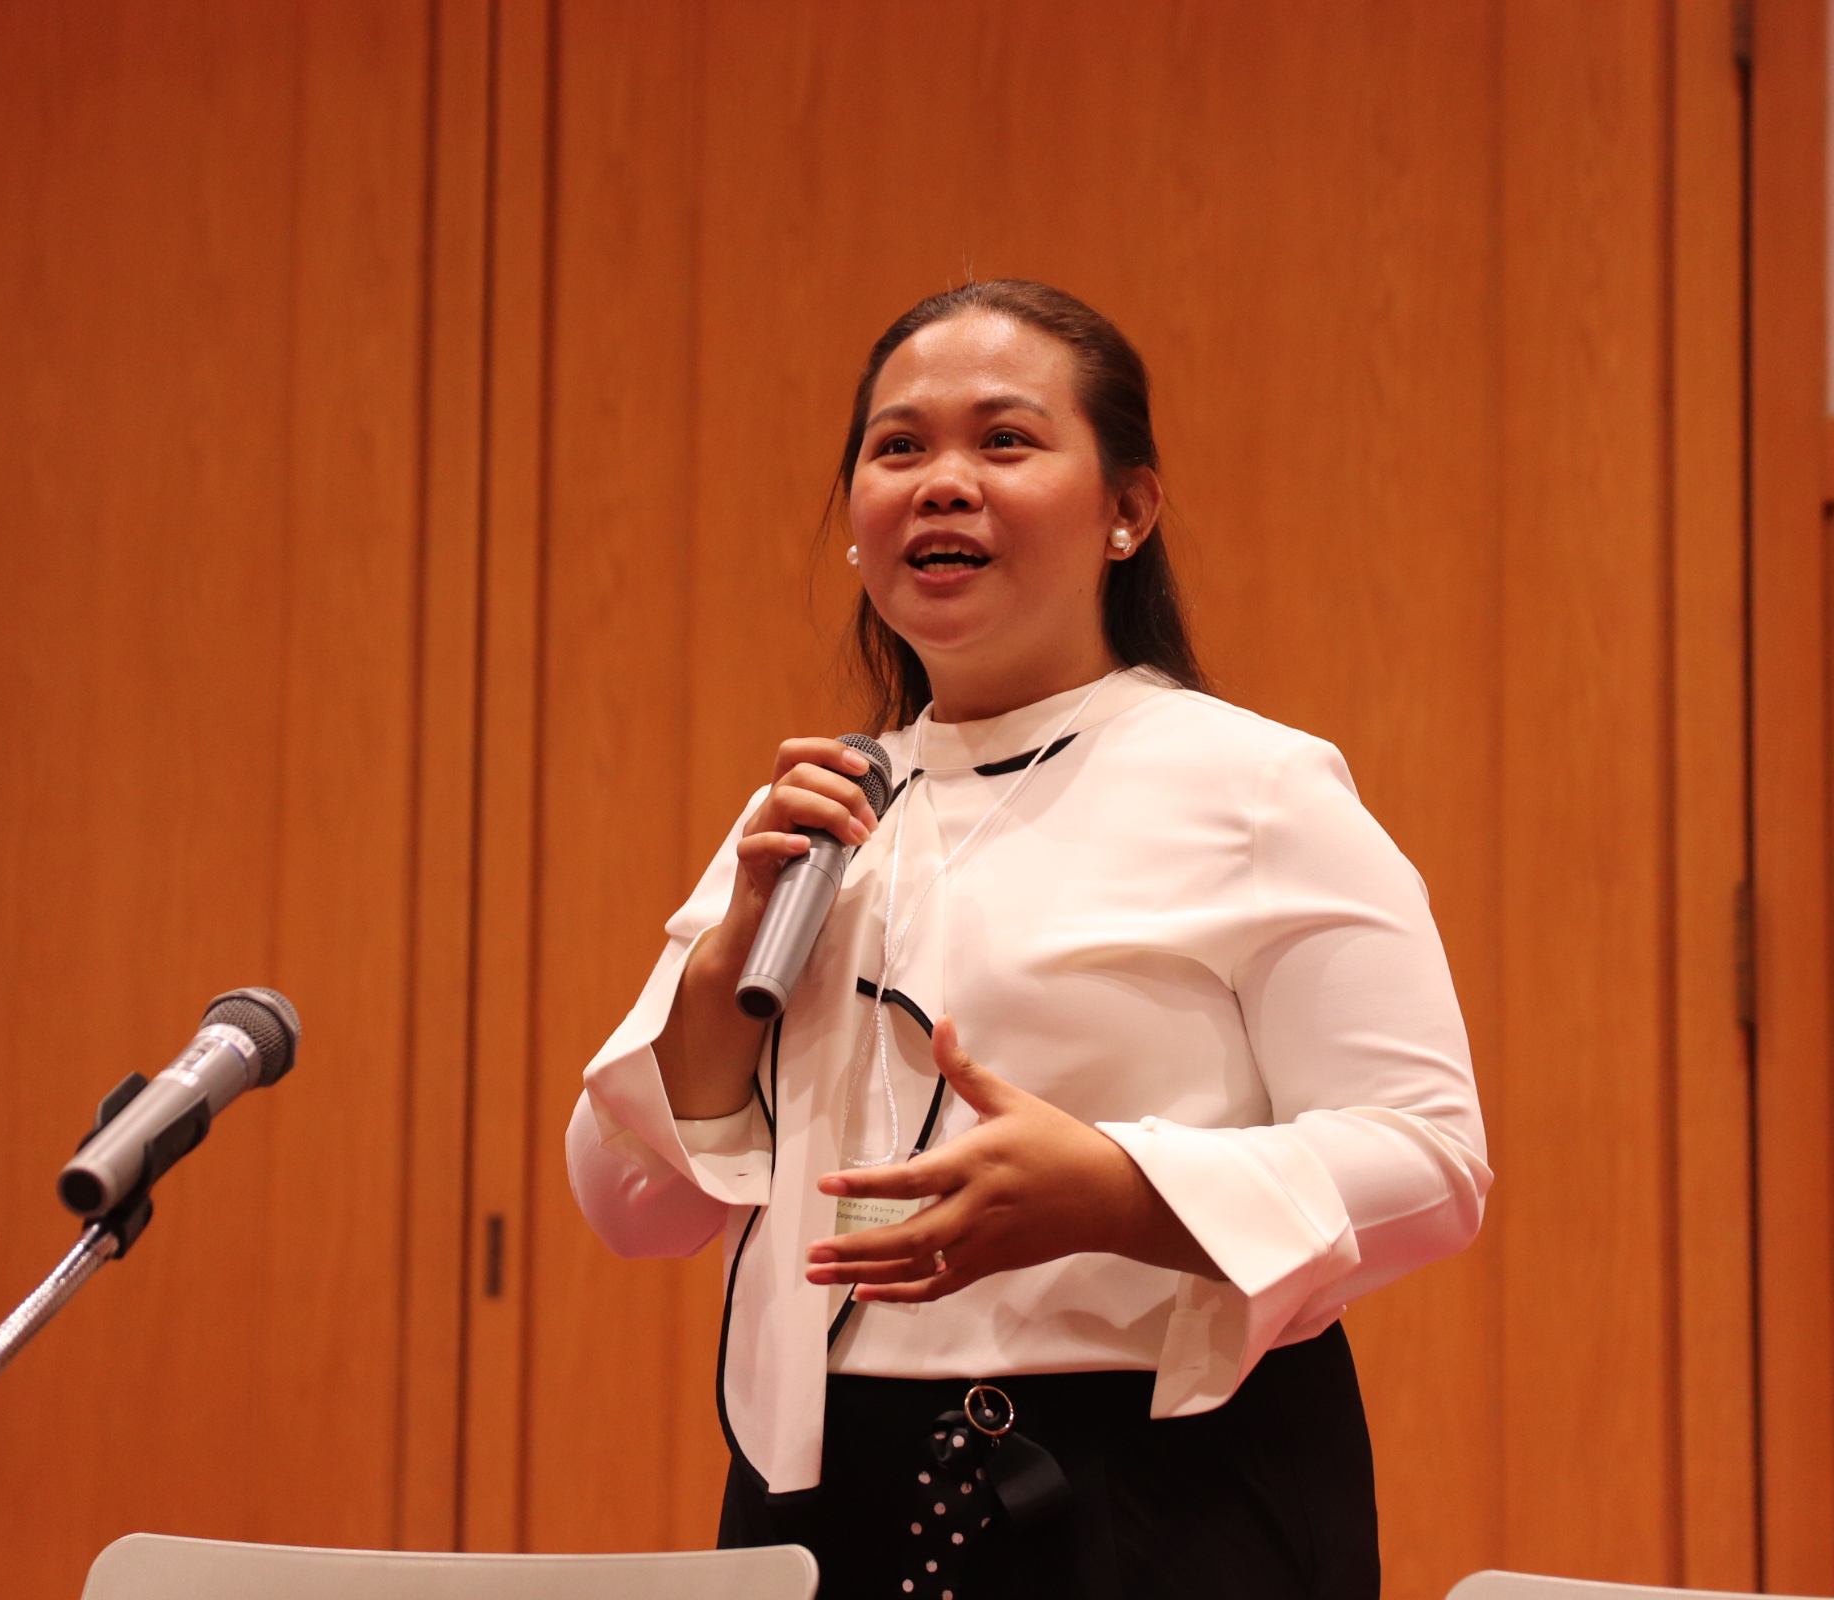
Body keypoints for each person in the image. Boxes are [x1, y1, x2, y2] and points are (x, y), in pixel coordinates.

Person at [566, 280, 1489, 1600]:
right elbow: (631, 1211)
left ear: (1128, 510)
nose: (942, 483)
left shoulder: (1258, 784)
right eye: (898, 447)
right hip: (820, 1490)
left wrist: (1117, 1189)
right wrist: (721, 973)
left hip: (1161, 1490)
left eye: (1004, 440)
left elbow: (1433, 1162)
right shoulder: (816, 813)